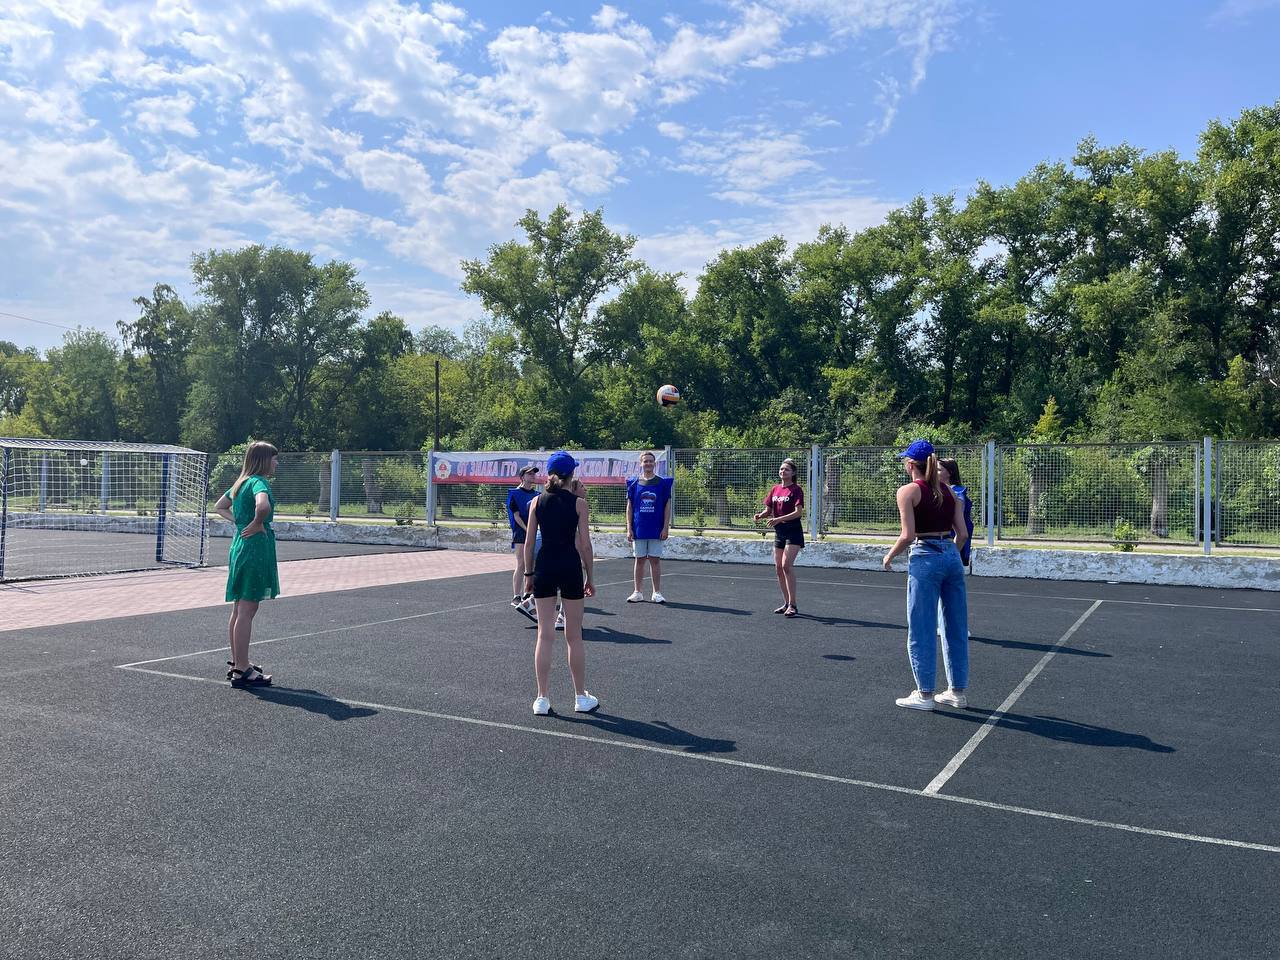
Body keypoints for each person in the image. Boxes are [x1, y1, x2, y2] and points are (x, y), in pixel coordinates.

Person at [882, 440, 970, 711]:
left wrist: (889, 556)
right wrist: (948, 554)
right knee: (955, 627)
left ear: (911, 464)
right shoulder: (949, 491)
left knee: (922, 627)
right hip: (951, 557)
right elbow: (962, 534)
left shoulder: (908, 491)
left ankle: (925, 694)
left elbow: (907, 535)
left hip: (925, 555)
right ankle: (957, 692)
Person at [523, 451, 598, 715]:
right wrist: (590, 576)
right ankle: (580, 697)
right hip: (569, 566)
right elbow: (585, 545)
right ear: (572, 474)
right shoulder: (579, 504)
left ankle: (542, 699)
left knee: (544, 634)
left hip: (544, 567)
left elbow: (529, 544)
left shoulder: (536, 502)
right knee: (574, 636)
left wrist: (528, 575)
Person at [214, 441, 280, 688]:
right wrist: (255, 523)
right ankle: (242, 669)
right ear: (263, 460)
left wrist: (241, 522)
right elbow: (263, 505)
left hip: (240, 546)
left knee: (239, 608)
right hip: (254, 549)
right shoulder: (258, 482)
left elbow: (220, 506)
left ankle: (238, 662)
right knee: (247, 610)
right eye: (273, 458)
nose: (276, 463)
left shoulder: (240, 483)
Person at [754, 457, 805, 618]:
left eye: (787, 469)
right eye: (781, 469)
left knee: (786, 566)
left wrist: (779, 519)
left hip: (793, 532)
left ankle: (793, 605)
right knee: (778, 569)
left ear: (793, 473)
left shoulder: (796, 489)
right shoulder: (775, 489)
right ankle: (786, 603)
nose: (783, 471)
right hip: (779, 533)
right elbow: (768, 510)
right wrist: (760, 515)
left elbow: (798, 513)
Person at [625, 451, 673, 604]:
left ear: (654, 463)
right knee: (639, 560)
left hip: (656, 528)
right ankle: (637, 592)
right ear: (641, 463)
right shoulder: (633, 483)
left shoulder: (662, 483)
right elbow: (629, 507)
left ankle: (656, 593)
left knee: (655, 560)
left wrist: (665, 527)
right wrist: (629, 528)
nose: (648, 464)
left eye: (651, 461)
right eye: (645, 461)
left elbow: (667, 506)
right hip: (639, 528)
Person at [935, 457, 974, 640]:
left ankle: (957, 628)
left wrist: (953, 553)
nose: (935, 473)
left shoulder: (956, 494)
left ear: (949, 473)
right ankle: (946, 626)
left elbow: (961, 531)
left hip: (952, 546)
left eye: (939, 470)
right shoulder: (944, 492)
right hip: (949, 547)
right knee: (946, 590)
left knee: (951, 591)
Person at [506, 464, 540, 605]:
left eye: (534, 473)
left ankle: (528, 592)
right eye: (529, 473)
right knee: (521, 563)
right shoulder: (514, 494)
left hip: (534, 532)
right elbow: (516, 516)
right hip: (521, 532)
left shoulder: (537, 495)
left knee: (532, 563)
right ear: (522, 476)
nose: (533, 476)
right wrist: (528, 529)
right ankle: (516, 596)